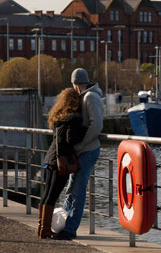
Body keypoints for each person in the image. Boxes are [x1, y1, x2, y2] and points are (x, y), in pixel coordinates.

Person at [53, 68, 103, 240]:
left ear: (75, 83)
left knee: (78, 191)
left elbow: (96, 125)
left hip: (88, 151)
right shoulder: (87, 96)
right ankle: (62, 225)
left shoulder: (90, 97)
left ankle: (70, 229)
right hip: (84, 151)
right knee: (72, 190)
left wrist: (81, 144)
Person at [38, 88, 87, 239]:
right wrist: (84, 130)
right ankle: (45, 230)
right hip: (62, 162)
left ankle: (41, 228)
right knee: (53, 195)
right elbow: (70, 139)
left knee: (47, 194)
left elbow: (59, 139)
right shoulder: (74, 118)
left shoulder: (58, 117)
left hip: (50, 158)